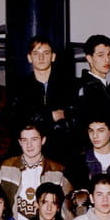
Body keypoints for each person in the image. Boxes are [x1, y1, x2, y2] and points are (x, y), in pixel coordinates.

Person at [10, 35, 74, 164]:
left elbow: (73, 118)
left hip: (63, 153)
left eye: (46, 53)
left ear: (53, 56)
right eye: (36, 53)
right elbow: (18, 120)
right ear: (29, 58)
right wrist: (51, 116)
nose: (41, 58)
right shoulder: (19, 87)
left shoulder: (69, 85)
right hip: (30, 154)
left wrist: (38, 116)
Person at [0, 123, 72, 220]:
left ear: (43, 140)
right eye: (24, 140)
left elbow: (65, 209)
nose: (29, 145)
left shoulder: (57, 171)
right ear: (19, 142)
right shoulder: (6, 167)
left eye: (34, 139)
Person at [66, 111, 110, 193]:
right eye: (91, 131)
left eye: (101, 130)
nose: (95, 136)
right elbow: (67, 197)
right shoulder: (77, 164)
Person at [75, 35, 110, 144]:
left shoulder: (106, 87)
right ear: (89, 58)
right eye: (101, 55)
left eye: (109, 54)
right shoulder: (85, 88)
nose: (107, 59)